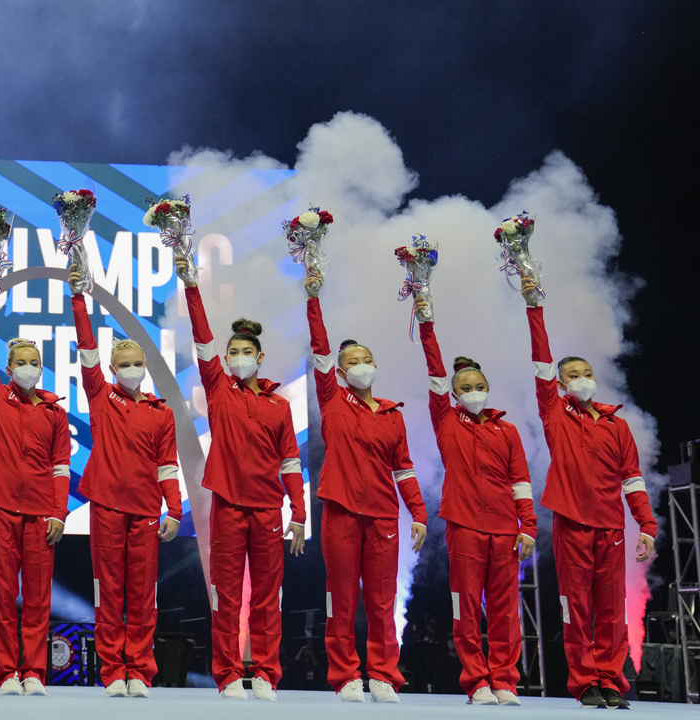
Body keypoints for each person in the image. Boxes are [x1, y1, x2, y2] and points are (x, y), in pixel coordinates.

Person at [520, 278, 656, 709]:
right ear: (559, 387)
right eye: (572, 376)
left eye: (586, 374)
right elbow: (541, 362)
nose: (581, 380)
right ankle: (585, 683)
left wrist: (647, 526)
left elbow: (632, 479)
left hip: (611, 525)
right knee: (574, 607)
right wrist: (533, 307)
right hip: (571, 524)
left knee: (612, 610)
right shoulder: (556, 414)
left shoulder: (617, 426)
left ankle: (611, 680)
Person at [175, 257, 306, 701]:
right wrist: (192, 284)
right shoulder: (218, 389)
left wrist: (300, 515)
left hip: (270, 509)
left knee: (269, 598)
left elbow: (290, 462)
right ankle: (228, 673)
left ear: (260, 357)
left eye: (245, 353)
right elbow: (202, 338)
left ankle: (267, 672)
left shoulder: (279, 405)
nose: (237, 359)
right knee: (226, 597)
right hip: (227, 506)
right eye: (232, 353)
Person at [306, 277, 427, 704]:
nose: (361, 365)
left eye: (367, 359)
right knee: (342, 599)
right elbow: (319, 348)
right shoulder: (332, 399)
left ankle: (382, 674)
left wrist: (419, 512)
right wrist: (313, 296)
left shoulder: (393, 414)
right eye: (352, 361)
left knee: (381, 601)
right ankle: (345, 675)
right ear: (340, 371)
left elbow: (404, 469)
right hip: (340, 510)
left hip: (382, 515)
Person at [413, 298, 537, 706]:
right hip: (463, 526)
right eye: (464, 388)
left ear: (488, 388)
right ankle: (477, 682)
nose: (473, 393)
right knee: (465, 608)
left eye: (479, 387)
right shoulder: (446, 419)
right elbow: (434, 371)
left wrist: (528, 528)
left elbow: (520, 482)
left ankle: (504, 680)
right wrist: (427, 320)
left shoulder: (508, 431)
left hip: (505, 529)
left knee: (505, 612)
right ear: (452, 393)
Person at [69, 267, 182, 699]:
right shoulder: (101, 395)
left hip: (146, 509)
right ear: (112, 369)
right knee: (109, 590)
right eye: (125, 365)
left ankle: (140, 670)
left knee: (142, 593)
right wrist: (80, 299)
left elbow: (167, 465)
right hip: (106, 505)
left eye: (138, 364)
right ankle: (113, 670)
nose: (133, 369)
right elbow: (85, 349)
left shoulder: (161, 412)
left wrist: (174, 510)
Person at [0, 273, 71, 697]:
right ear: (9, 369)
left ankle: (33, 671)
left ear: (41, 368)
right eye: (22, 363)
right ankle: (6, 672)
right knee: (1, 594)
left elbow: (62, 466)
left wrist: (58, 511)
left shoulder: (55, 413)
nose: (29, 368)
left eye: (36, 362)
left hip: (40, 513)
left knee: (37, 597)